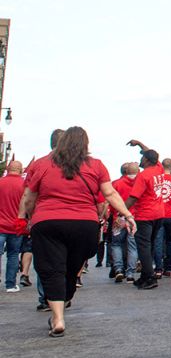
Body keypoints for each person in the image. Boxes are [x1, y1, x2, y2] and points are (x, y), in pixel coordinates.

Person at [20, 127, 136, 335]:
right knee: (71, 269)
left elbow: (28, 197)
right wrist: (127, 215)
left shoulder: (42, 164)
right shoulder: (96, 165)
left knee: (52, 269)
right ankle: (65, 298)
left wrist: (30, 217)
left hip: (48, 222)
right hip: (84, 224)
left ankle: (58, 318)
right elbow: (109, 194)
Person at [125, 147, 167, 290]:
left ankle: (149, 277)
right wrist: (139, 144)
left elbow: (133, 197)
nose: (140, 160)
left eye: (142, 158)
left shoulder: (143, 176)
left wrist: (122, 212)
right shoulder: (159, 169)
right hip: (159, 214)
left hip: (145, 214)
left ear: (147, 160)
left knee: (143, 246)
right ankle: (145, 275)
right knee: (150, 245)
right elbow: (151, 152)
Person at [108, 162, 139, 282]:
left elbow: (110, 200)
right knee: (132, 246)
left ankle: (119, 269)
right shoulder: (140, 183)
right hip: (134, 218)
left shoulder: (116, 183)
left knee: (116, 244)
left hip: (119, 217)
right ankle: (130, 273)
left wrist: (113, 214)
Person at [1, 159, 25, 292]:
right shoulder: (24, 185)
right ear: (21, 170)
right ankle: (10, 284)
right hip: (16, 225)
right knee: (13, 255)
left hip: (0, 225)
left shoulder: (0, 182)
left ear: (8, 169)